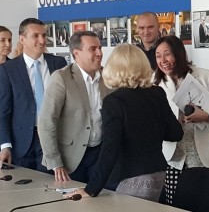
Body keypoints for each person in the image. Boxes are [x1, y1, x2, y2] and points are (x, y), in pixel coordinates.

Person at [64, 44, 183, 202]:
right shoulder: (157, 93)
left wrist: (91, 189)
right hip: (158, 173)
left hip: (129, 177)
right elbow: (175, 133)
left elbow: (109, 149)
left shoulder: (114, 102)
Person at [153, 35, 209, 212]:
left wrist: (205, 115)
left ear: (179, 54)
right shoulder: (154, 82)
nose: (163, 60)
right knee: (175, 206)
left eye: (167, 54)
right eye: (158, 56)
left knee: (207, 204)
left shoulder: (204, 75)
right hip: (174, 156)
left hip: (203, 154)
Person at [38, 31, 112, 182]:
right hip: (70, 158)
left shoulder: (108, 76)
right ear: (76, 53)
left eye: (100, 48)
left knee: (101, 202)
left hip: (100, 154)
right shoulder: (61, 78)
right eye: (92, 49)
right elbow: (47, 121)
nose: (99, 53)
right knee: (72, 203)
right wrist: (54, 162)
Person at [0, 18, 67, 171]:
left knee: (50, 187)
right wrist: (5, 145)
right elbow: (3, 111)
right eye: (36, 36)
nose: (42, 40)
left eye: (44, 35)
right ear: (22, 39)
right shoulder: (8, 69)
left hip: (53, 138)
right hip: (21, 144)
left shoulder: (58, 63)